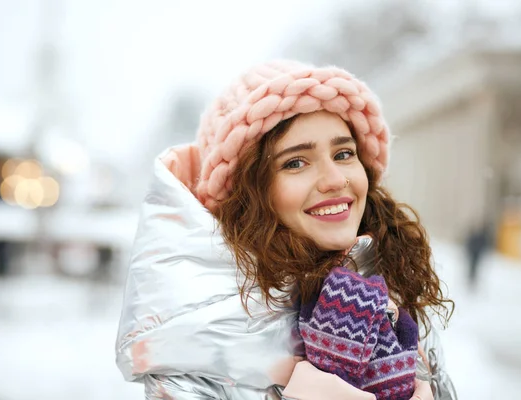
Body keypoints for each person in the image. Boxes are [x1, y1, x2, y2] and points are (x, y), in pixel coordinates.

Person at [116, 60, 457, 399]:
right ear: (248, 191)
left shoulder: (392, 289)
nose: (336, 180)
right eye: (296, 162)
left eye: (343, 153)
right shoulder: (194, 345)